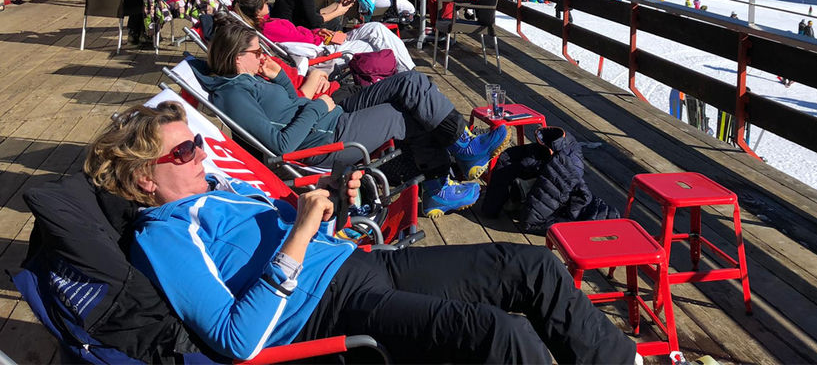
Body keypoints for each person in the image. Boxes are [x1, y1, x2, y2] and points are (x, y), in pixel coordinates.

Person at [83, 102, 637, 363]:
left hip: (359, 262)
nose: (201, 152)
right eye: (184, 150)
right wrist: (300, 234)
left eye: (197, 142)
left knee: (530, 267)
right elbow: (237, 340)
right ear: (142, 178)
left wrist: (332, 211)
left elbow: (298, 235)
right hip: (327, 309)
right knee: (499, 335)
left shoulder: (218, 191)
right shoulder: (164, 236)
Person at [196, 21, 507, 194]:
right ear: (237, 58)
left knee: (410, 81)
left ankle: (461, 144)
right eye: (256, 51)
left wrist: (281, 81)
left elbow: (292, 106)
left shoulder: (249, 78)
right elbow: (280, 146)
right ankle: (440, 184)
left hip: (329, 118)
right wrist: (318, 107)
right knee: (406, 116)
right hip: (324, 141)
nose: (263, 55)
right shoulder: (233, 94)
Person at [232, 0, 415, 73]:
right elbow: (302, 41)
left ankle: (408, 73)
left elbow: (299, 35)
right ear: (257, 11)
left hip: (324, 41)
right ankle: (409, 74)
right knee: (375, 45)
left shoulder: (268, 24)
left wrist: (317, 32)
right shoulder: (271, 27)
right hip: (325, 52)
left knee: (376, 28)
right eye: (264, 2)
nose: (267, 3)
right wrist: (322, 36)